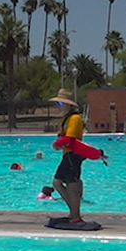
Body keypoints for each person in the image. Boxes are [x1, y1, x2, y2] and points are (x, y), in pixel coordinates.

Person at [50, 89, 88, 223]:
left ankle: (75, 214)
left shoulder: (75, 118)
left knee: (71, 183)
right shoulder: (67, 119)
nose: (59, 106)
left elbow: (70, 137)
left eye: (61, 103)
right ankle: (73, 212)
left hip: (73, 155)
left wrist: (57, 143)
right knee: (58, 182)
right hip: (68, 154)